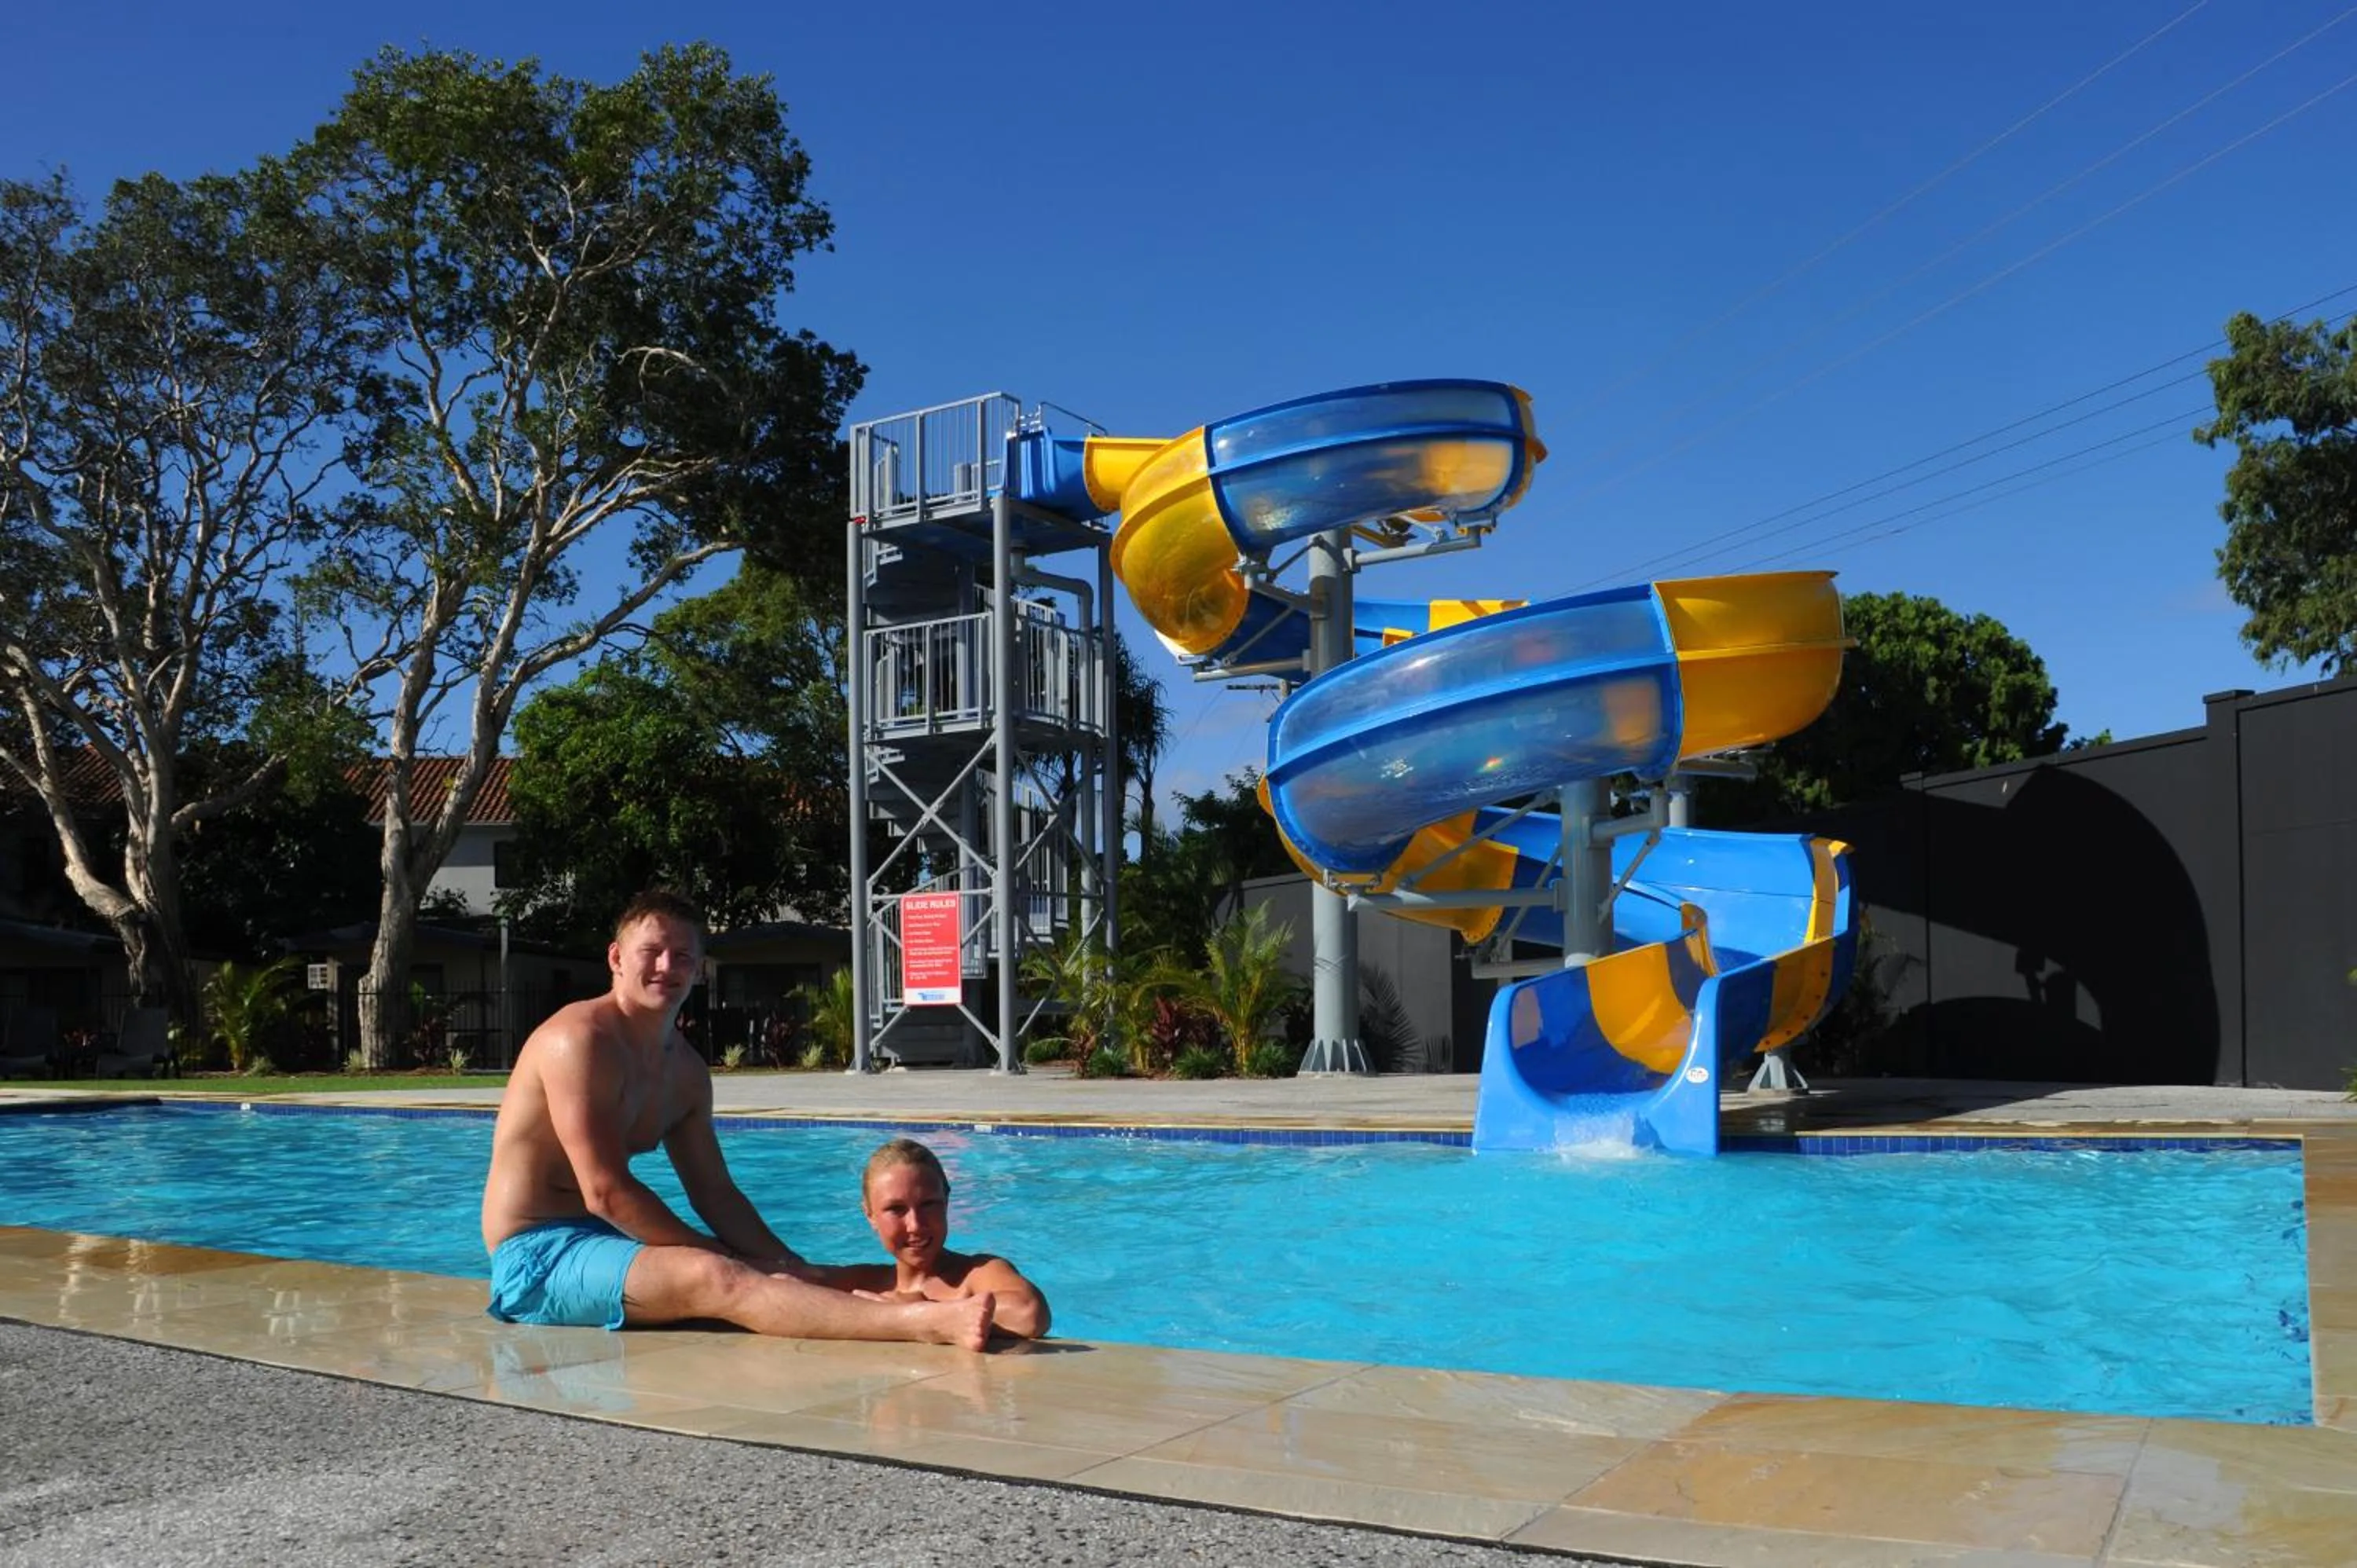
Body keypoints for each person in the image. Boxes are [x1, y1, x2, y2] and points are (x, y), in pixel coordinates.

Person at [478, 890, 992, 1349]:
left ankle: (928, 1295)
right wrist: (739, 1262)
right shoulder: (579, 1040)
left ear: (699, 968)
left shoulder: (685, 1072)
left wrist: (791, 1268)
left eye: (682, 956)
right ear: (616, 958)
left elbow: (716, 1193)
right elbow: (605, 1192)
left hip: (602, 1244)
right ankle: (926, 1324)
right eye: (650, 951)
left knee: (788, 1273)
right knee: (717, 1275)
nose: (666, 966)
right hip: (534, 1257)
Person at [808, 1138, 1050, 1339]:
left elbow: (1029, 1314)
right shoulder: (866, 1282)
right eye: (896, 1209)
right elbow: (783, 1285)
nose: (916, 1225)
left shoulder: (974, 1275)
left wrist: (923, 1313)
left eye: (928, 1205)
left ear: (946, 1202)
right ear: (870, 1215)